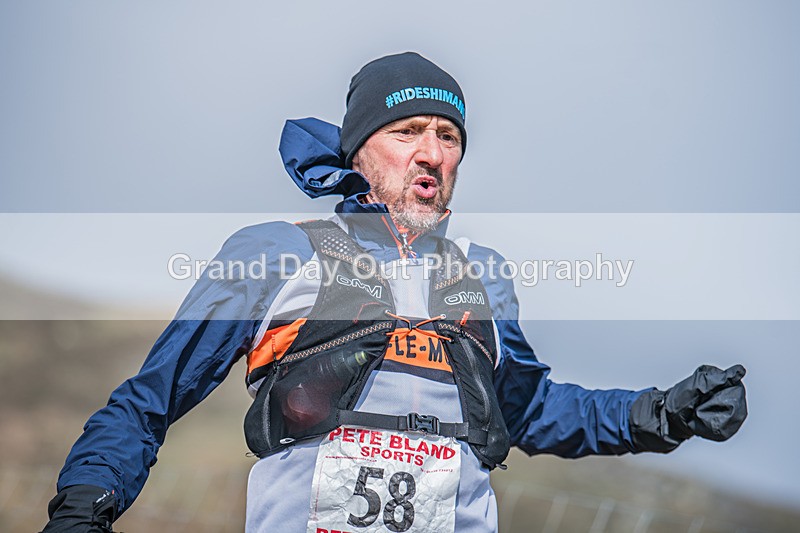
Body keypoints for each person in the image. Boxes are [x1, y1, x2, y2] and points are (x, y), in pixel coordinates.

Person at [43, 52, 748, 533]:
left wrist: (661, 412)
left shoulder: (482, 273)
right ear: (359, 152)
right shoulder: (278, 251)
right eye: (408, 130)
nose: (433, 153)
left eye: (448, 136)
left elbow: (531, 410)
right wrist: (82, 509)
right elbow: (148, 398)